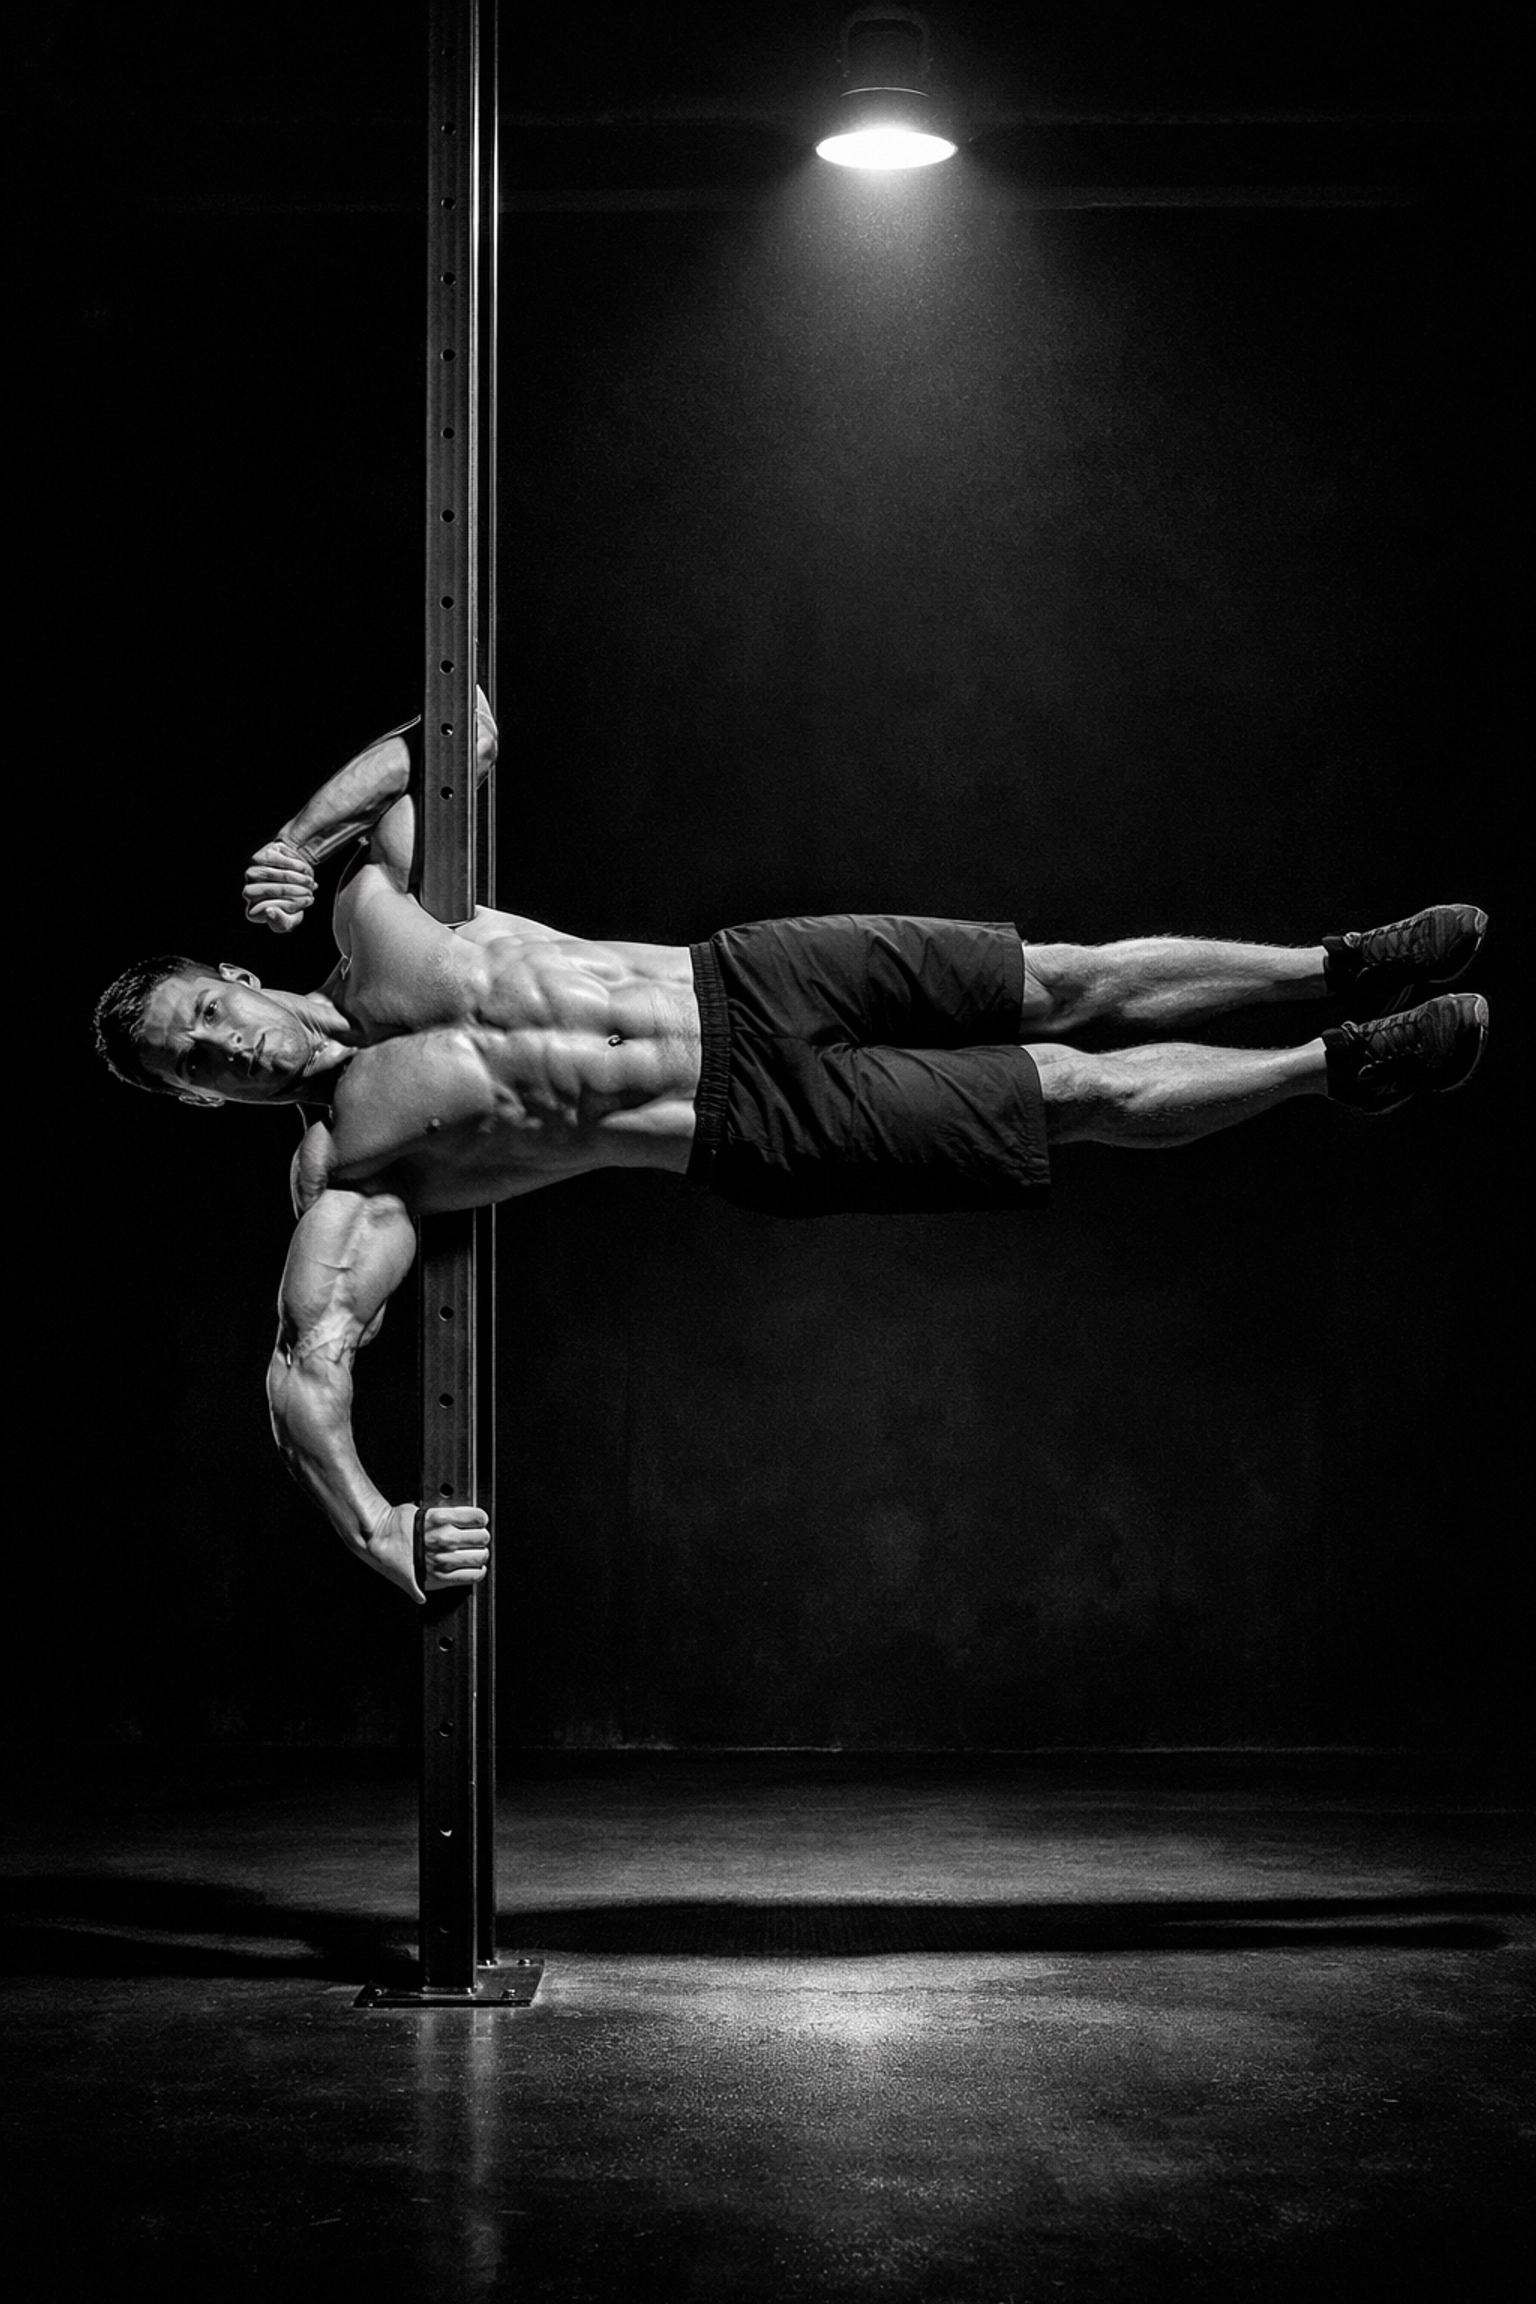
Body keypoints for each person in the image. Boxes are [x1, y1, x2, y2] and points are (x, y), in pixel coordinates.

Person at [93, 707, 1489, 1605]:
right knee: (1066, 1093)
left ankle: (1340, 963)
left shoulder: (376, 909)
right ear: (199, 1102)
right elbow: (305, 1369)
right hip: (750, 1125)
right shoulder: (349, 1172)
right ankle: (1339, 1064)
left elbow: (459, 723)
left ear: (235, 974)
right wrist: (380, 1533)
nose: (226, 1047)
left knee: (1062, 980)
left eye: (208, 1013)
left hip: (750, 974)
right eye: (192, 1064)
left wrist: (297, 835)